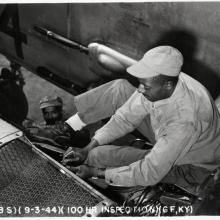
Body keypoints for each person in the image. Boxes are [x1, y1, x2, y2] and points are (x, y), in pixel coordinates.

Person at [52, 44, 220, 193]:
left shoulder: (185, 120)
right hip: (172, 137)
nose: (139, 90)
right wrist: (87, 148)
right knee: (119, 89)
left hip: (190, 166)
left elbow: (150, 172)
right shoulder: (168, 79)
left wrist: (96, 173)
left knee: (98, 157)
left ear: (167, 85)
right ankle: (69, 127)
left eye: (145, 86)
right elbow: (125, 118)